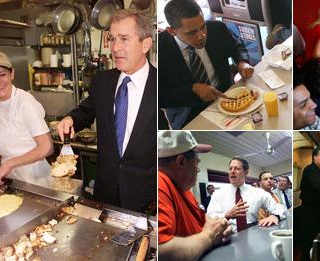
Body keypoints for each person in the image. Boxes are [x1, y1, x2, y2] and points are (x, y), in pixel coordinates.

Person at [56, 9, 156, 212]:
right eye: (112, 39)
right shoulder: (102, 81)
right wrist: (70, 119)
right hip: (105, 192)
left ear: (145, 44)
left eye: (124, 39)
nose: (115, 48)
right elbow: (86, 110)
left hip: (145, 197)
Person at [159, 0, 253, 129]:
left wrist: (243, 62)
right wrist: (192, 90)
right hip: (188, 111)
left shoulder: (216, 28)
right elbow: (160, 96)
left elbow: (237, 47)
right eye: (192, 33)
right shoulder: (159, 50)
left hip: (225, 95)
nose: (202, 35)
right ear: (172, 31)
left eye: (203, 26)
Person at [158, 131, 232, 260]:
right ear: (181, 162)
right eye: (197, 163)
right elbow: (161, 251)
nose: (198, 169)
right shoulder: (160, 183)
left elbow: (203, 218)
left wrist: (220, 226)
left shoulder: (184, 189)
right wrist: (209, 236)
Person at [0, 51, 53, 188]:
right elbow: (5, 140)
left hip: (36, 181)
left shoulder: (25, 103)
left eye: (2, 75)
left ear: (12, 74)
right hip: (12, 179)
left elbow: (47, 147)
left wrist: (9, 163)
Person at [207, 157, 286, 231]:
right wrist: (227, 215)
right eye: (230, 168)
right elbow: (210, 219)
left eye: (237, 168)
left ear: (246, 172)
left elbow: (280, 208)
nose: (232, 171)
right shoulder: (218, 194)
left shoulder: (258, 193)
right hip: (227, 235)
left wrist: (275, 216)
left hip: (253, 233)